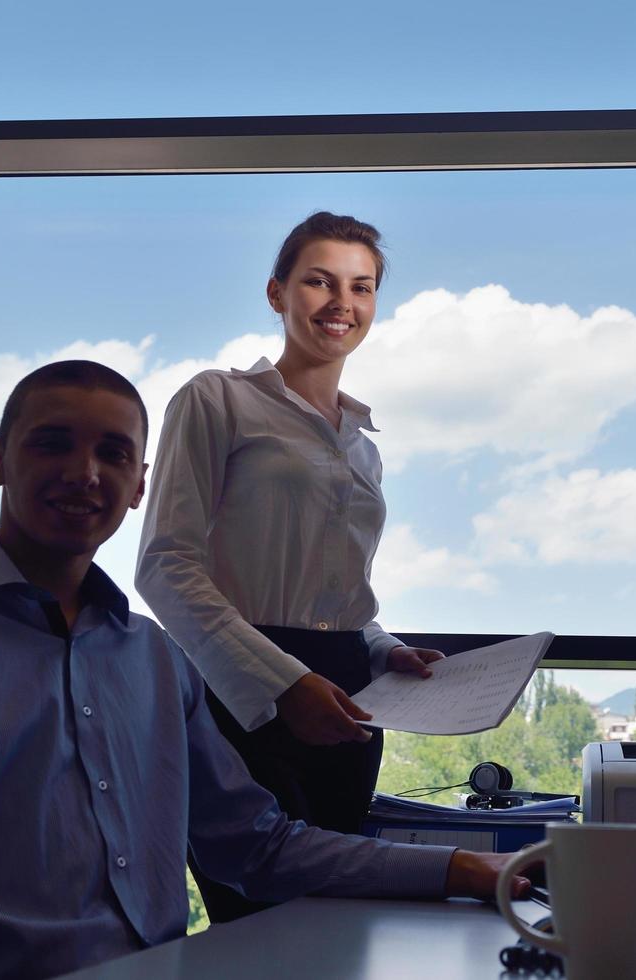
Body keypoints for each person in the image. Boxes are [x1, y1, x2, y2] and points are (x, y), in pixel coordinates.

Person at [0, 361, 520, 980]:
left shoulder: (156, 662)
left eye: (113, 453)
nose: (84, 472)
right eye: (52, 443)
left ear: (140, 486)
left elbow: (259, 846)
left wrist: (471, 869)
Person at [136, 213, 443, 915]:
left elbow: (332, 594)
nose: (343, 303)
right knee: (255, 918)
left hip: (349, 701)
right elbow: (164, 565)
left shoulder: (363, 444)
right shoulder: (217, 399)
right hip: (243, 695)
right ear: (277, 293)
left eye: (361, 288)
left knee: (332, 917)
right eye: (320, 281)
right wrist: (286, 682)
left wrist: (383, 646)